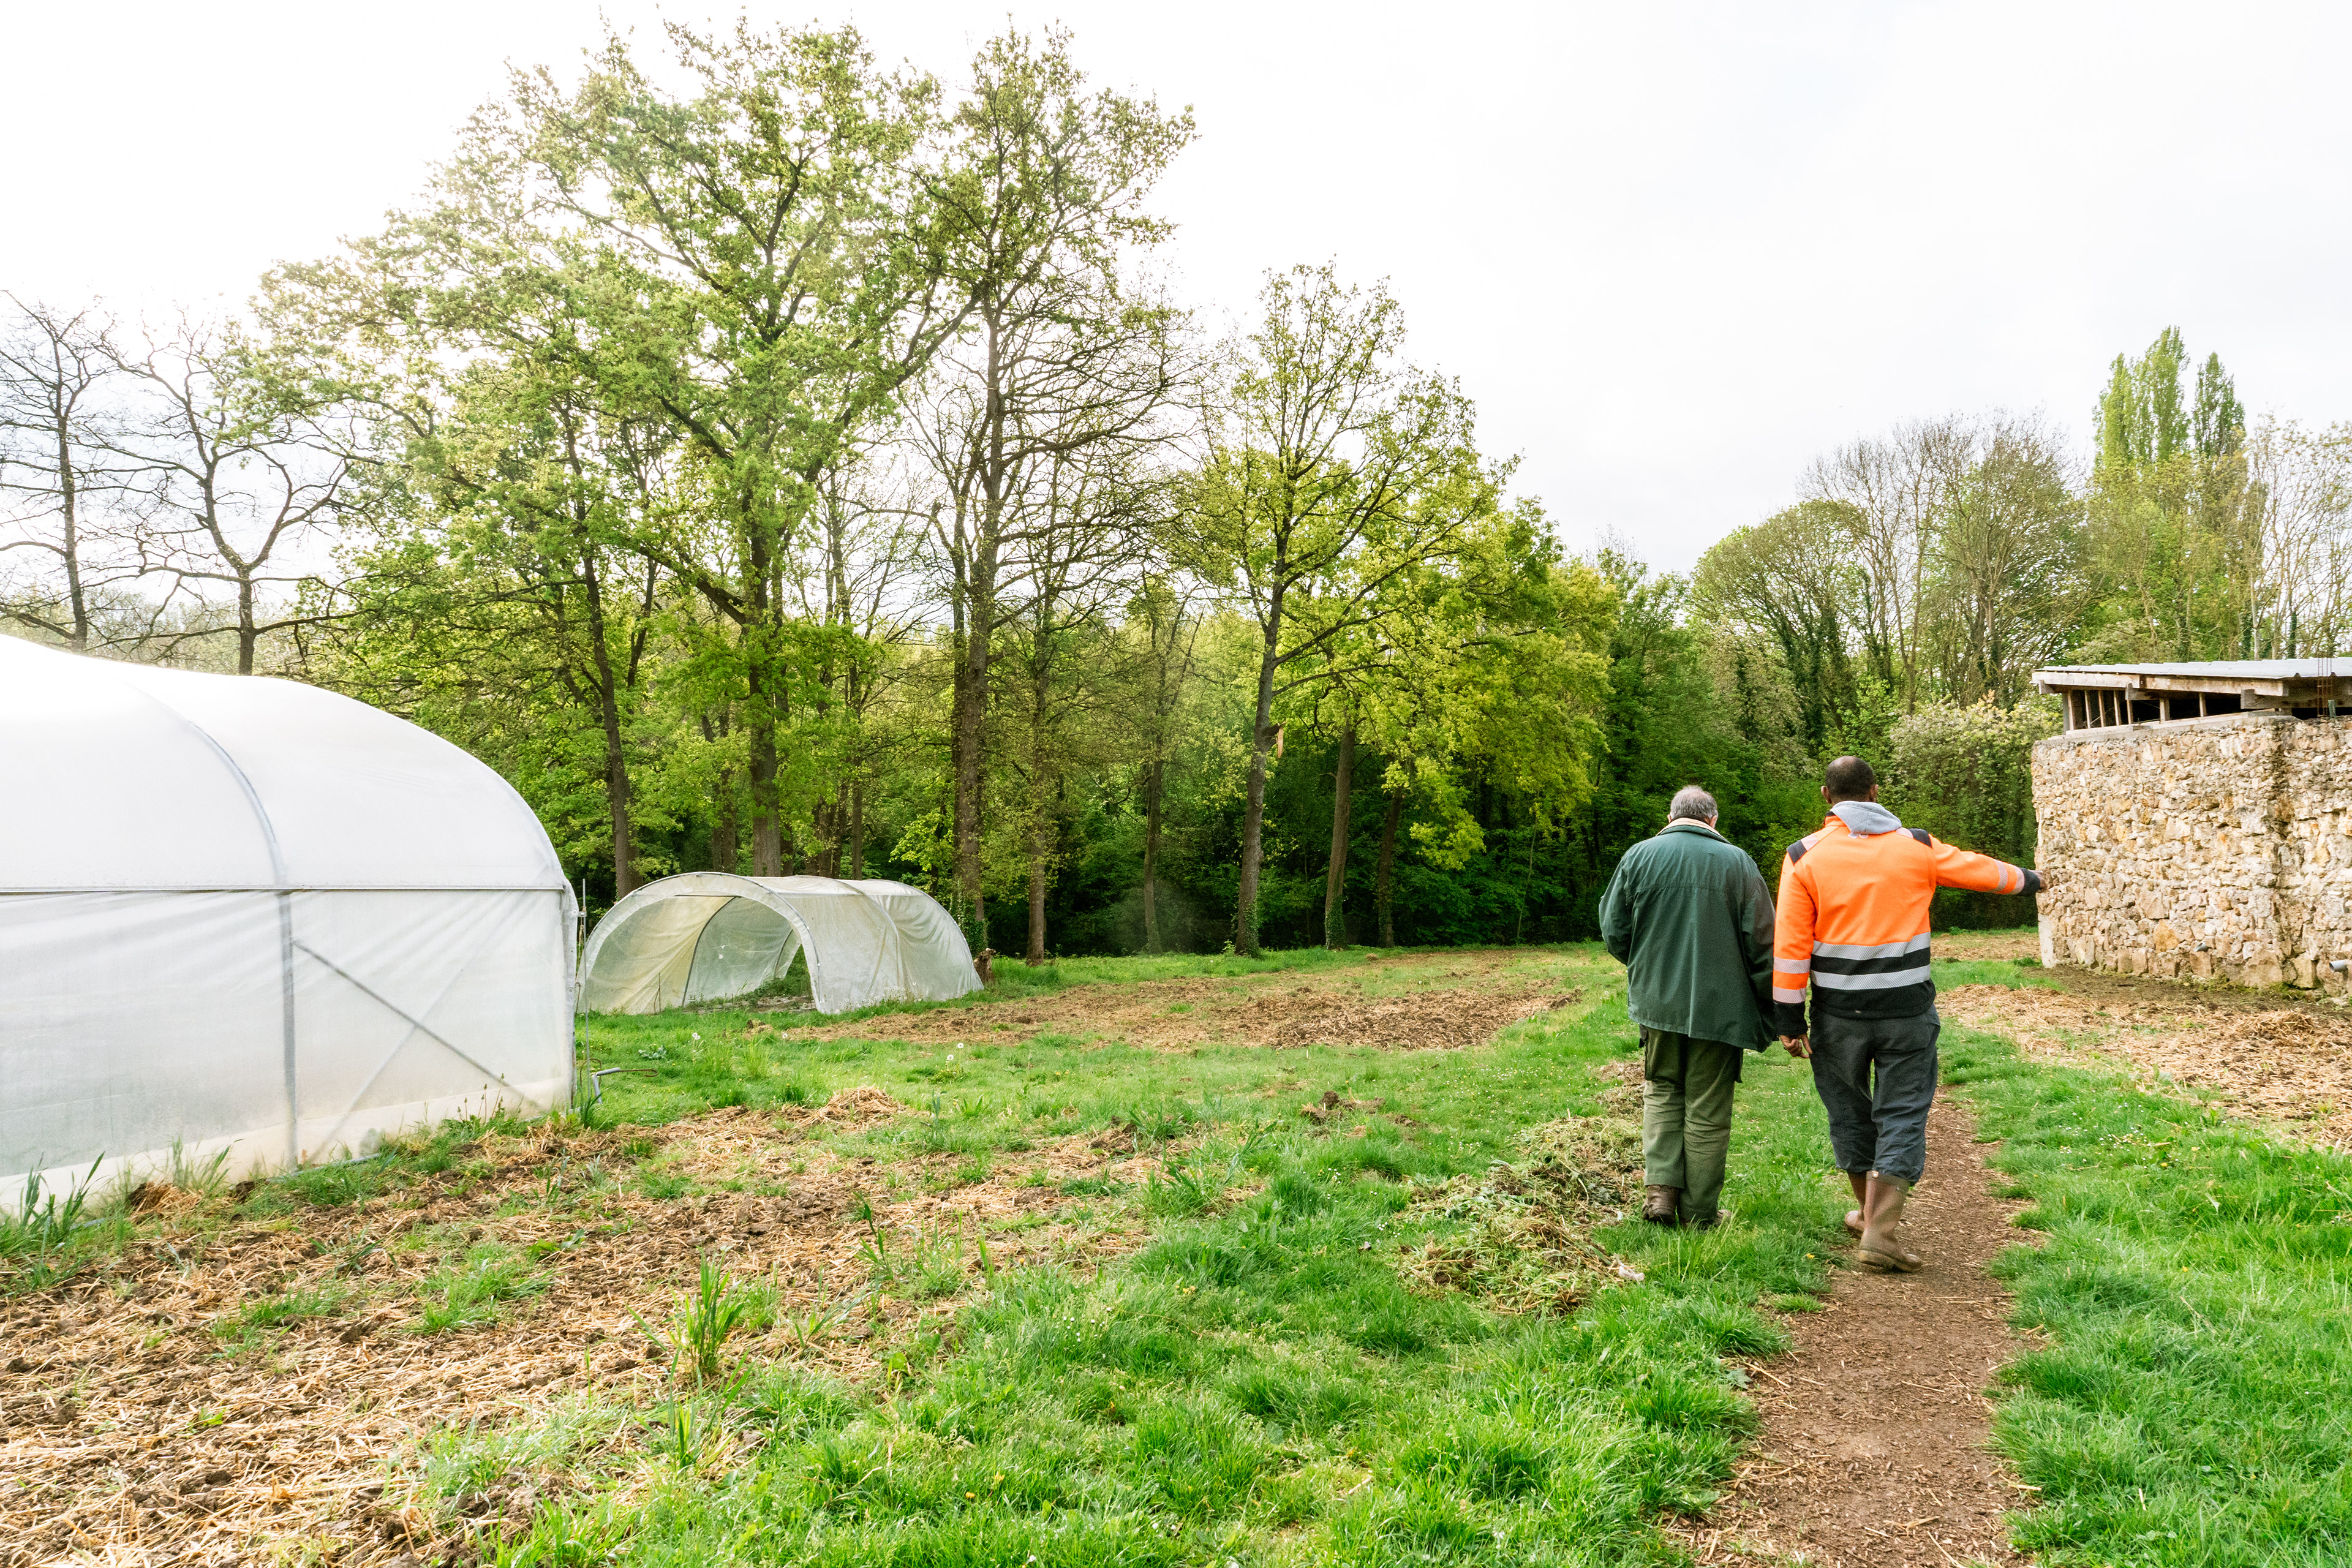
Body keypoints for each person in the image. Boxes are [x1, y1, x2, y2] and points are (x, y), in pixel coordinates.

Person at [1773, 755, 2041, 1270]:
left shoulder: (1804, 856)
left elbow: (1790, 946)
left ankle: (1867, 1218)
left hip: (1838, 1015)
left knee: (1849, 1111)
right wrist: (2031, 880)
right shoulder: (1915, 846)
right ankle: (1880, 1228)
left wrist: (1790, 1019)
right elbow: (1980, 871)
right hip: (1907, 1012)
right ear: (1875, 791)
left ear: (1827, 797)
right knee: (1901, 1112)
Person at [1599, 785, 1778, 1229]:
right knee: (1707, 1107)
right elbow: (1763, 944)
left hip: (1657, 1005)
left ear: (1671, 815)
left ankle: (1660, 1195)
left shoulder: (1638, 856)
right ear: (1713, 820)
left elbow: (1614, 930)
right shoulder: (1738, 863)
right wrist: (1773, 1003)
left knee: (1662, 1090)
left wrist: (1648, 968)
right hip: (1722, 1008)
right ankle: (1700, 1214)